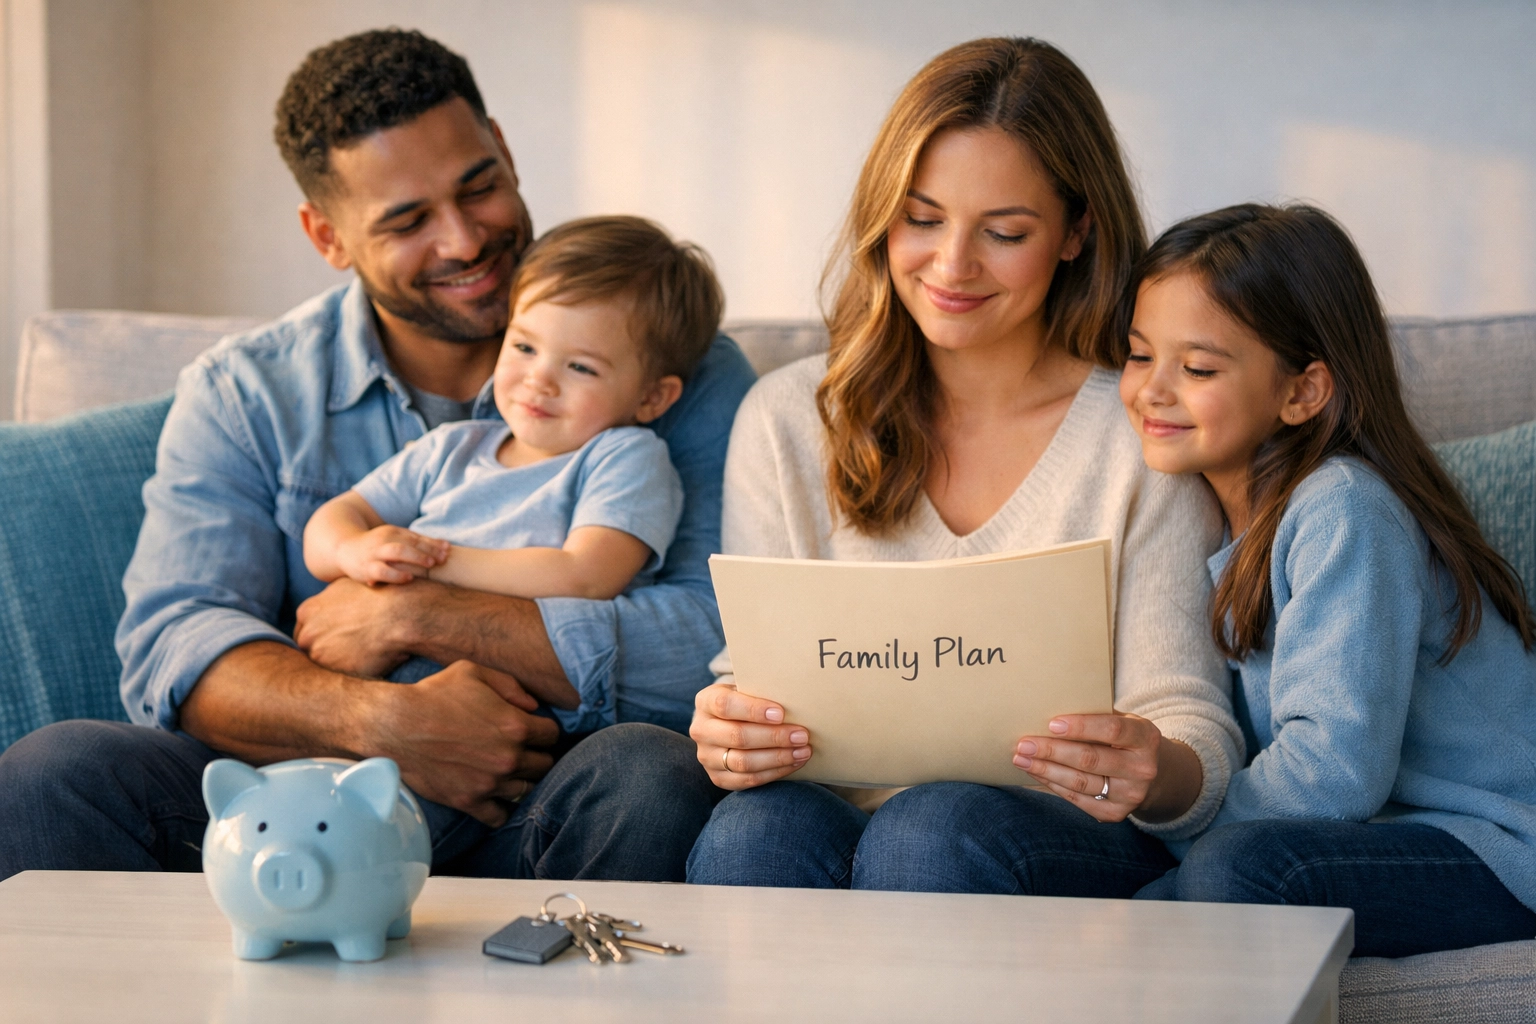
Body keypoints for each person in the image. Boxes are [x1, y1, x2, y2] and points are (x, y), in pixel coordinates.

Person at [0, 29, 754, 882]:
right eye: (408, 221)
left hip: (539, 790)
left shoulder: (668, 365)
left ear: (504, 150)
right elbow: (177, 643)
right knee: (54, 776)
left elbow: (720, 633)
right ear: (328, 236)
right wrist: (382, 720)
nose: (465, 240)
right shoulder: (248, 395)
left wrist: (413, 612)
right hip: (306, 804)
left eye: (479, 188)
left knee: (650, 776)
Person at [685, 37, 1243, 895]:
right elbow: (750, 678)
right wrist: (730, 732)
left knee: (932, 827)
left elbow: (1189, 726)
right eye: (922, 218)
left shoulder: (1142, 432)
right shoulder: (791, 419)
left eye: (1006, 232)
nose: (952, 266)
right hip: (835, 814)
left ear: (1075, 232)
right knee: (750, 832)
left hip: (1059, 836)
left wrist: (1156, 770)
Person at [1119, 203, 1536, 958]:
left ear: (1304, 392)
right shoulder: (1207, 511)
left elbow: (1333, 779)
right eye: (1140, 354)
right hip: (1381, 835)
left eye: (1199, 367)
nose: (1152, 389)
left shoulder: (1343, 506)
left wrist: (1182, 821)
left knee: (1231, 871)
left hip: (1498, 848)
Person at [304, 215, 721, 604]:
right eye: (524, 346)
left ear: (652, 398)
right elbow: (335, 519)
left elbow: (586, 576)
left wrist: (426, 562)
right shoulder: (450, 446)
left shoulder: (625, 458)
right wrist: (351, 549)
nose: (538, 379)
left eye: (580, 366)